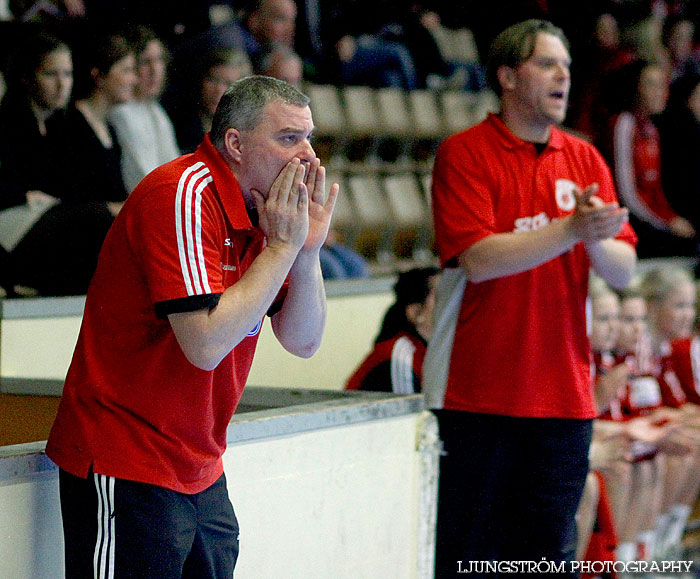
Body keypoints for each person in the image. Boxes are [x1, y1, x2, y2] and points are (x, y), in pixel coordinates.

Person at [45, 75, 338, 577]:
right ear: (235, 144)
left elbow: (303, 341)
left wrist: (306, 251)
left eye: (308, 137)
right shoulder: (183, 193)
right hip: (127, 458)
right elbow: (204, 343)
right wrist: (282, 249)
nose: (307, 156)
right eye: (289, 137)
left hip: (200, 466)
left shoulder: (264, 215)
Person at [425, 19, 638, 574]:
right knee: (468, 557)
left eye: (566, 65)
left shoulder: (585, 159)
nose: (563, 75)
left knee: (547, 559)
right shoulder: (464, 153)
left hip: (564, 397)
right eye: (547, 63)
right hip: (476, 396)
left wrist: (594, 236)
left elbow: (623, 268)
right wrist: (571, 230)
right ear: (507, 77)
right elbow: (477, 257)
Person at [604, 59, 696, 257]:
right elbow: (626, 195)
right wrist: (665, 224)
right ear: (635, 88)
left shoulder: (652, 129)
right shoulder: (624, 123)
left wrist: (672, 218)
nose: (660, 92)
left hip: (648, 218)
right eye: (651, 84)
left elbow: (655, 191)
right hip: (627, 220)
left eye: (663, 85)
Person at [108, 25, 180, 193]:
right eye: (146, 62)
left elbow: (174, 166)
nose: (155, 70)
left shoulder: (155, 109)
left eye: (159, 60)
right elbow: (143, 180)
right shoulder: (122, 113)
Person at [346, 266, 438, 393]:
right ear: (416, 312)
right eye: (442, 296)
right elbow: (411, 413)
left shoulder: (439, 351)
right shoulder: (400, 357)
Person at [164, 48, 252, 154]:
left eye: (228, 84)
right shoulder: (177, 123)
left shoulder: (247, 133)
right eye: (213, 80)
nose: (218, 90)